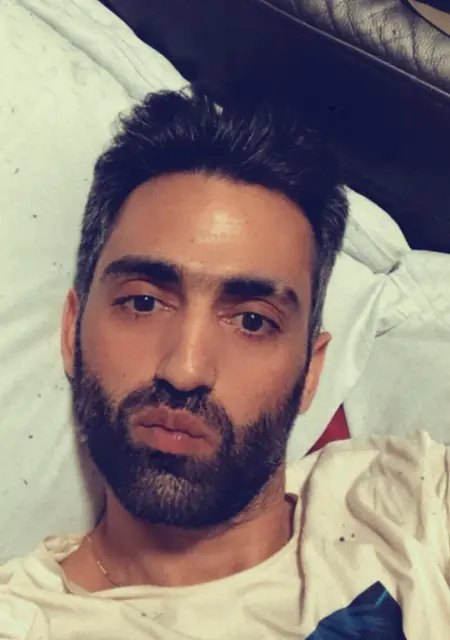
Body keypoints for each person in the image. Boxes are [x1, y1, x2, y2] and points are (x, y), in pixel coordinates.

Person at [0, 89, 449, 640]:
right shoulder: (25, 623)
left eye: (253, 321)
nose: (185, 370)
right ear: (72, 333)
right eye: (144, 302)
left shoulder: (411, 502)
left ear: (311, 371)